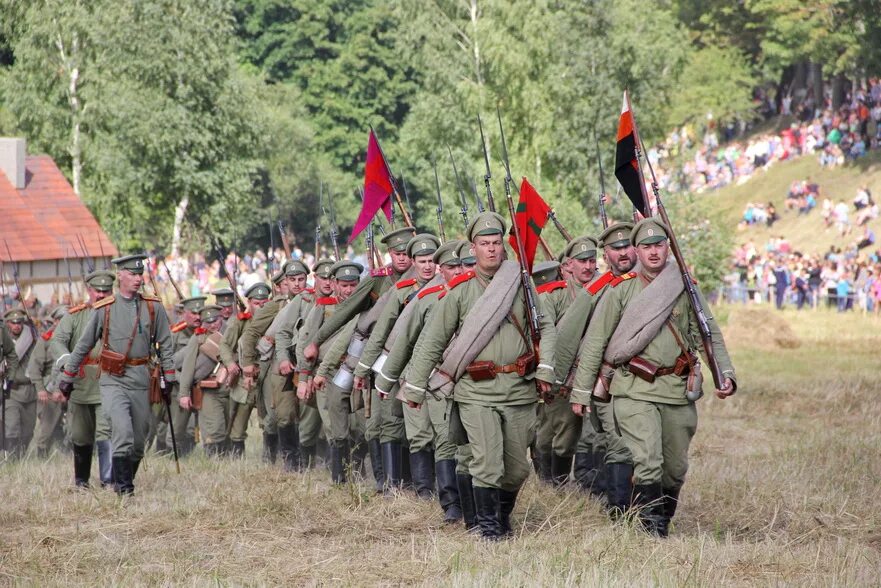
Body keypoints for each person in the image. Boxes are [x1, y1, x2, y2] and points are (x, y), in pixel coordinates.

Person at [570, 219, 736, 537]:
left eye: (659, 245)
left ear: (667, 247)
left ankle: (660, 518)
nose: (654, 252)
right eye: (646, 247)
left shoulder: (684, 287)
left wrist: (724, 373)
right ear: (637, 251)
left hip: (677, 388)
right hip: (633, 388)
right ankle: (652, 531)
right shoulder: (621, 290)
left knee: (675, 468)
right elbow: (595, 342)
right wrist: (580, 392)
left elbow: (706, 334)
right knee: (648, 460)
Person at [403, 212, 557, 540]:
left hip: (518, 387)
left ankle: (500, 518)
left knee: (516, 469)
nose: (491, 249)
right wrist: (415, 388)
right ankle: (488, 532)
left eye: (496, 243)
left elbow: (545, 326)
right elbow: (433, 341)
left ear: (503, 246)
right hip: (476, 390)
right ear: (473, 248)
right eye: (484, 244)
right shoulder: (460, 292)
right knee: (487, 463)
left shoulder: (522, 282)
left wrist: (546, 366)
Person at [59, 254, 175, 495]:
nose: (137, 279)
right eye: (132, 274)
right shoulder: (105, 309)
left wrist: (169, 377)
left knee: (139, 442)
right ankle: (124, 490)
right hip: (113, 380)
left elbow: (166, 343)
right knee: (122, 432)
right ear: (120, 275)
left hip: (141, 378)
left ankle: (124, 480)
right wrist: (68, 375)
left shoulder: (153, 307)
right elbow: (83, 346)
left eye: (140, 274)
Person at [374, 240, 466, 521]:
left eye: (460, 265)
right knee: (423, 436)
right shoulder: (422, 298)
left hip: (458, 375)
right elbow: (395, 338)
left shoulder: (472, 295)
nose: (427, 266)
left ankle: (457, 499)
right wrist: (381, 376)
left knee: (450, 438)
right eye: (449, 266)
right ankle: (430, 493)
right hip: (419, 374)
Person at [353, 233, 442, 494]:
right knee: (400, 424)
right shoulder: (401, 291)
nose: (427, 266)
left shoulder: (449, 288)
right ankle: (405, 486)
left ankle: (433, 486)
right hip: (402, 366)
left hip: (440, 366)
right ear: (413, 262)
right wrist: (363, 368)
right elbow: (380, 333)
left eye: (431, 260)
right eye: (422, 260)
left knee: (439, 428)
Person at [297, 260, 364, 484]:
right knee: (333, 426)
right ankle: (339, 477)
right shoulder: (323, 306)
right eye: (344, 285)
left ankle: (359, 471)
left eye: (353, 285)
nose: (348, 290)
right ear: (334, 284)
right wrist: (304, 378)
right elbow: (307, 344)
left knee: (357, 425)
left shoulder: (365, 306)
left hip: (354, 371)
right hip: (326, 373)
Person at [50, 270, 117, 486]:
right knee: (80, 435)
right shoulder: (75, 315)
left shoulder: (120, 314)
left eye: (106, 291)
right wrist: (66, 364)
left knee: (106, 431)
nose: (101, 295)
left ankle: (108, 480)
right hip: (80, 383)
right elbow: (57, 341)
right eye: (97, 291)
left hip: (109, 381)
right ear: (89, 291)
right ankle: (81, 481)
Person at [275, 258, 336, 469]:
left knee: (334, 419)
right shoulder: (303, 301)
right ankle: (304, 463)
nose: (327, 283)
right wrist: (283, 358)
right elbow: (283, 333)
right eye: (323, 278)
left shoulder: (342, 300)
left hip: (331, 367)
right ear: (315, 279)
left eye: (331, 278)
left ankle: (335, 464)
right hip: (304, 368)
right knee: (308, 423)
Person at [221, 282, 271, 457]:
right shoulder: (240, 322)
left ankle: (271, 457)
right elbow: (225, 346)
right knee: (238, 421)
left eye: (265, 303)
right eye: (257, 303)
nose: (261, 306)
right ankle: (235, 456)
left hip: (266, 376)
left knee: (268, 420)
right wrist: (230, 364)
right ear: (249, 302)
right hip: (244, 378)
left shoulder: (273, 319)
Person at [178, 305, 229, 456]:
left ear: (221, 318)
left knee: (231, 427)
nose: (213, 325)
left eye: (216, 320)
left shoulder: (230, 332)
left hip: (230, 386)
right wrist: (184, 393)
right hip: (207, 389)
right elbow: (188, 367)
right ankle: (214, 462)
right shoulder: (198, 338)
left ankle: (232, 460)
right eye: (208, 322)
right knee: (214, 429)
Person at [29, 305, 68, 458]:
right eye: (62, 320)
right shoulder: (45, 340)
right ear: (56, 321)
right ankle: (42, 456)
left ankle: (70, 452)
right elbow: (34, 368)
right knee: (47, 426)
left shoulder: (77, 337)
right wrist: (40, 389)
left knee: (77, 427)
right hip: (51, 388)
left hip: (74, 387)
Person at [2, 307, 38, 459]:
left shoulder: (30, 338)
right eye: (13, 322)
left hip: (30, 390)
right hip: (12, 389)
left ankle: (21, 456)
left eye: (20, 322)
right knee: (12, 427)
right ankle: (12, 458)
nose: (17, 325)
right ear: (7, 324)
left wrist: (34, 332)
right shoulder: (4, 340)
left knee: (28, 430)